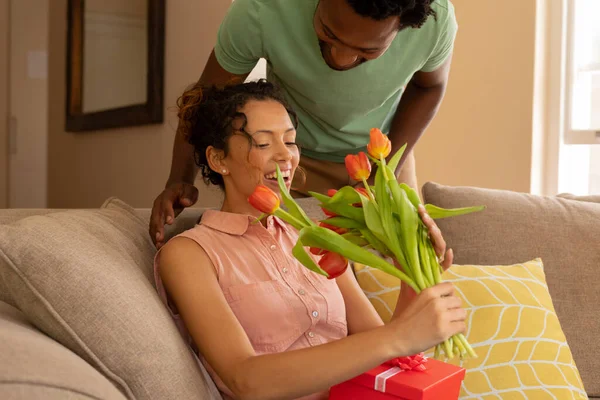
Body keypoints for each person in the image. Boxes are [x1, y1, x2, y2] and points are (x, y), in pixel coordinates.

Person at [154, 80, 465, 400]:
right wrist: (399, 337)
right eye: (263, 143)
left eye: (290, 141)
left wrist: (413, 265)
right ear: (219, 159)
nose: (284, 156)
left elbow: (381, 351)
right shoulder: (190, 254)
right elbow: (246, 380)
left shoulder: (317, 236)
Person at [150, 0, 458, 249]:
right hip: (289, 163)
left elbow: (429, 87)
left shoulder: (435, 20)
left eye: (367, 51)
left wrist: (383, 172)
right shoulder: (261, 8)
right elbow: (205, 101)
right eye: (328, 33)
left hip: (380, 157)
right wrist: (178, 178)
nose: (341, 59)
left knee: (410, 265)